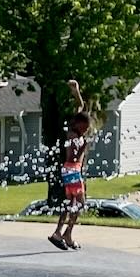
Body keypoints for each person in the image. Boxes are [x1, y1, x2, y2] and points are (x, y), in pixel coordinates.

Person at [49, 79, 89, 251]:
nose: (87, 129)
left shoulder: (76, 129)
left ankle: (62, 233)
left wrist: (76, 91)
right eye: (86, 126)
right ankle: (64, 233)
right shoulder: (73, 136)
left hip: (70, 171)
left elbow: (81, 107)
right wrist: (84, 149)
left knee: (71, 203)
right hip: (72, 169)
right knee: (79, 203)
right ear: (79, 124)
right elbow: (74, 158)